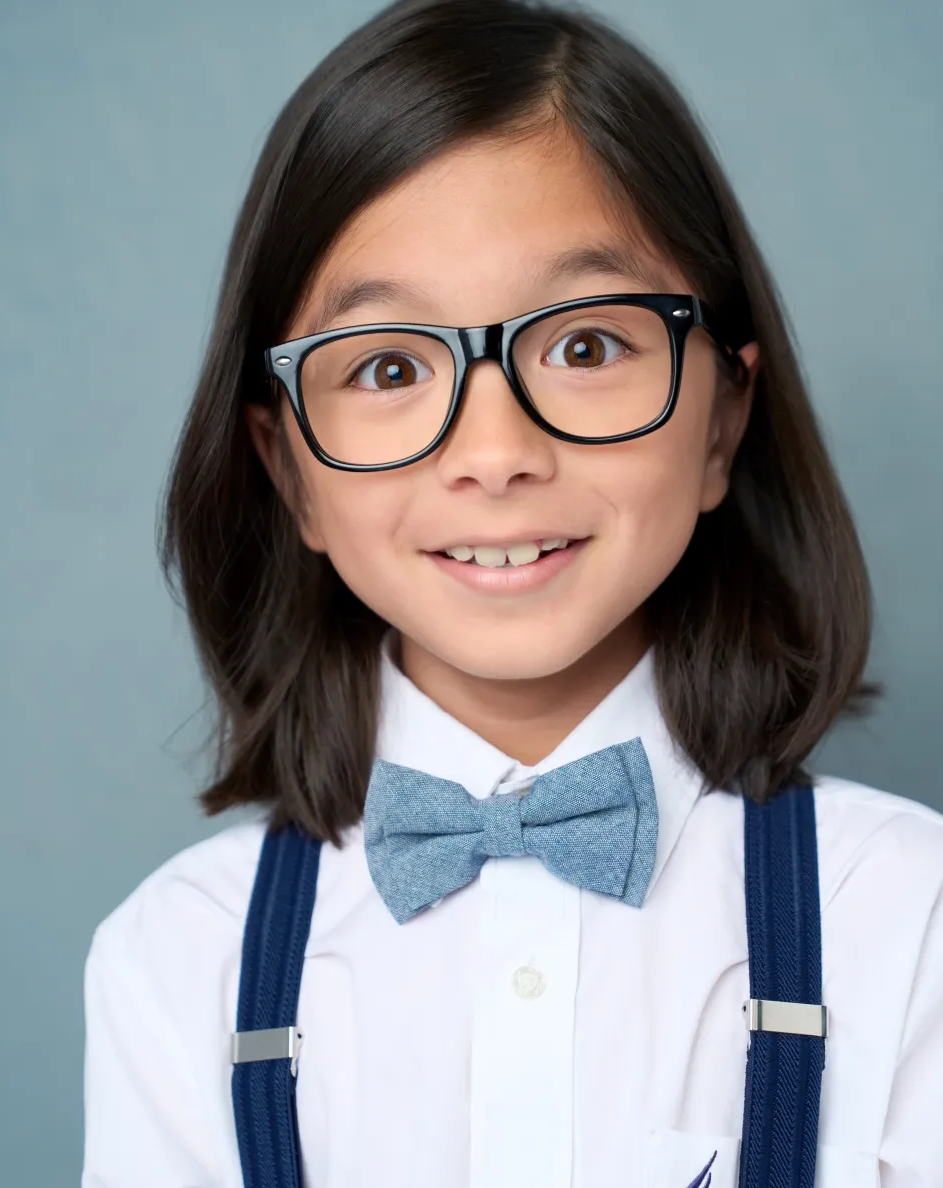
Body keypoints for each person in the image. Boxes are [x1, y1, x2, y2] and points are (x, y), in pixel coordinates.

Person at [80, 1, 943, 1185]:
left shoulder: (908, 916)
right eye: (387, 367)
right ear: (290, 473)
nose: (493, 452)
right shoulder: (174, 961)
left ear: (719, 422)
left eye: (584, 347)